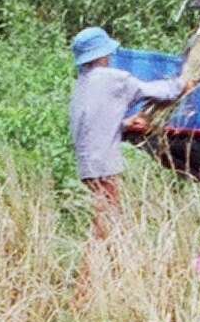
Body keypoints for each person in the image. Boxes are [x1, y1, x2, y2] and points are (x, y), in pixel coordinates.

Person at [67, 27, 181, 244]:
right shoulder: (113, 78)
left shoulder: (83, 82)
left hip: (87, 163)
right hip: (103, 163)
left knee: (108, 215)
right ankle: (91, 271)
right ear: (101, 55)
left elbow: (93, 120)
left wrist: (125, 123)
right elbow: (157, 91)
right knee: (107, 219)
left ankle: (110, 267)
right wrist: (184, 83)